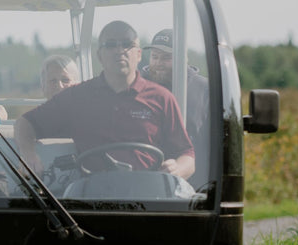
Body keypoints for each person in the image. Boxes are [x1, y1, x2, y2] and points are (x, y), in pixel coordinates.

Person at [15, 21, 194, 177]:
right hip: (94, 199)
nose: (119, 50)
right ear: (100, 55)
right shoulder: (77, 96)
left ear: (139, 54)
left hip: (146, 199)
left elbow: (187, 155)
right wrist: (28, 154)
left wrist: (177, 169)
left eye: (126, 44)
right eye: (110, 45)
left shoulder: (162, 98)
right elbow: (25, 123)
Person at [144, 28, 210, 158]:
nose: (158, 63)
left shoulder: (205, 89)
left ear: (184, 58)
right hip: (145, 172)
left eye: (166, 57)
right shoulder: (137, 87)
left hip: (191, 173)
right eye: (154, 56)